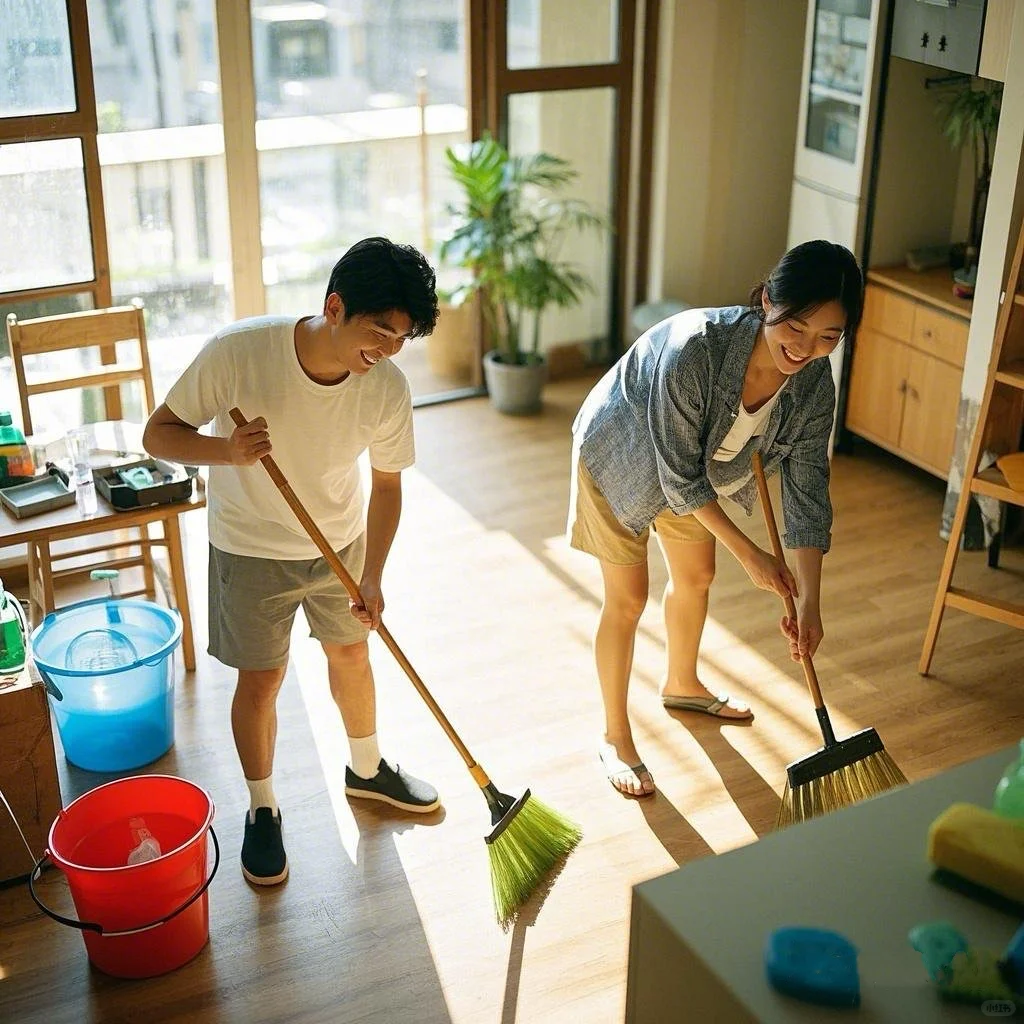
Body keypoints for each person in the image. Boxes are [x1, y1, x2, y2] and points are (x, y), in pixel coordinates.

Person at [143, 236, 441, 884]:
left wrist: (373, 574)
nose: (389, 351)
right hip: (250, 546)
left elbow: (387, 486)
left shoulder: (386, 388)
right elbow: (157, 434)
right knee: (263, 681)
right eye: (380, 332)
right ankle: (262, 809)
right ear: (335, 307)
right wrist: (231, 454)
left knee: (353, 654)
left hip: (338, 542)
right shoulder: (239, 352)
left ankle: (367, 772)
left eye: (402, 339)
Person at [566, 240, 863, 797]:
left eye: (828, 338)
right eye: (795, 327)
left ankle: (681, 684)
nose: (805, 348)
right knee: (628, 598)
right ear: (768, 299)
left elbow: (807, 489)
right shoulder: (695, 348)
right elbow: (675, 476)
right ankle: (614, 735)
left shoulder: (813, 385)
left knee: (698, 577)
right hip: (621, 454)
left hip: (697, 472)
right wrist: (751, 554)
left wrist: (810, 602)